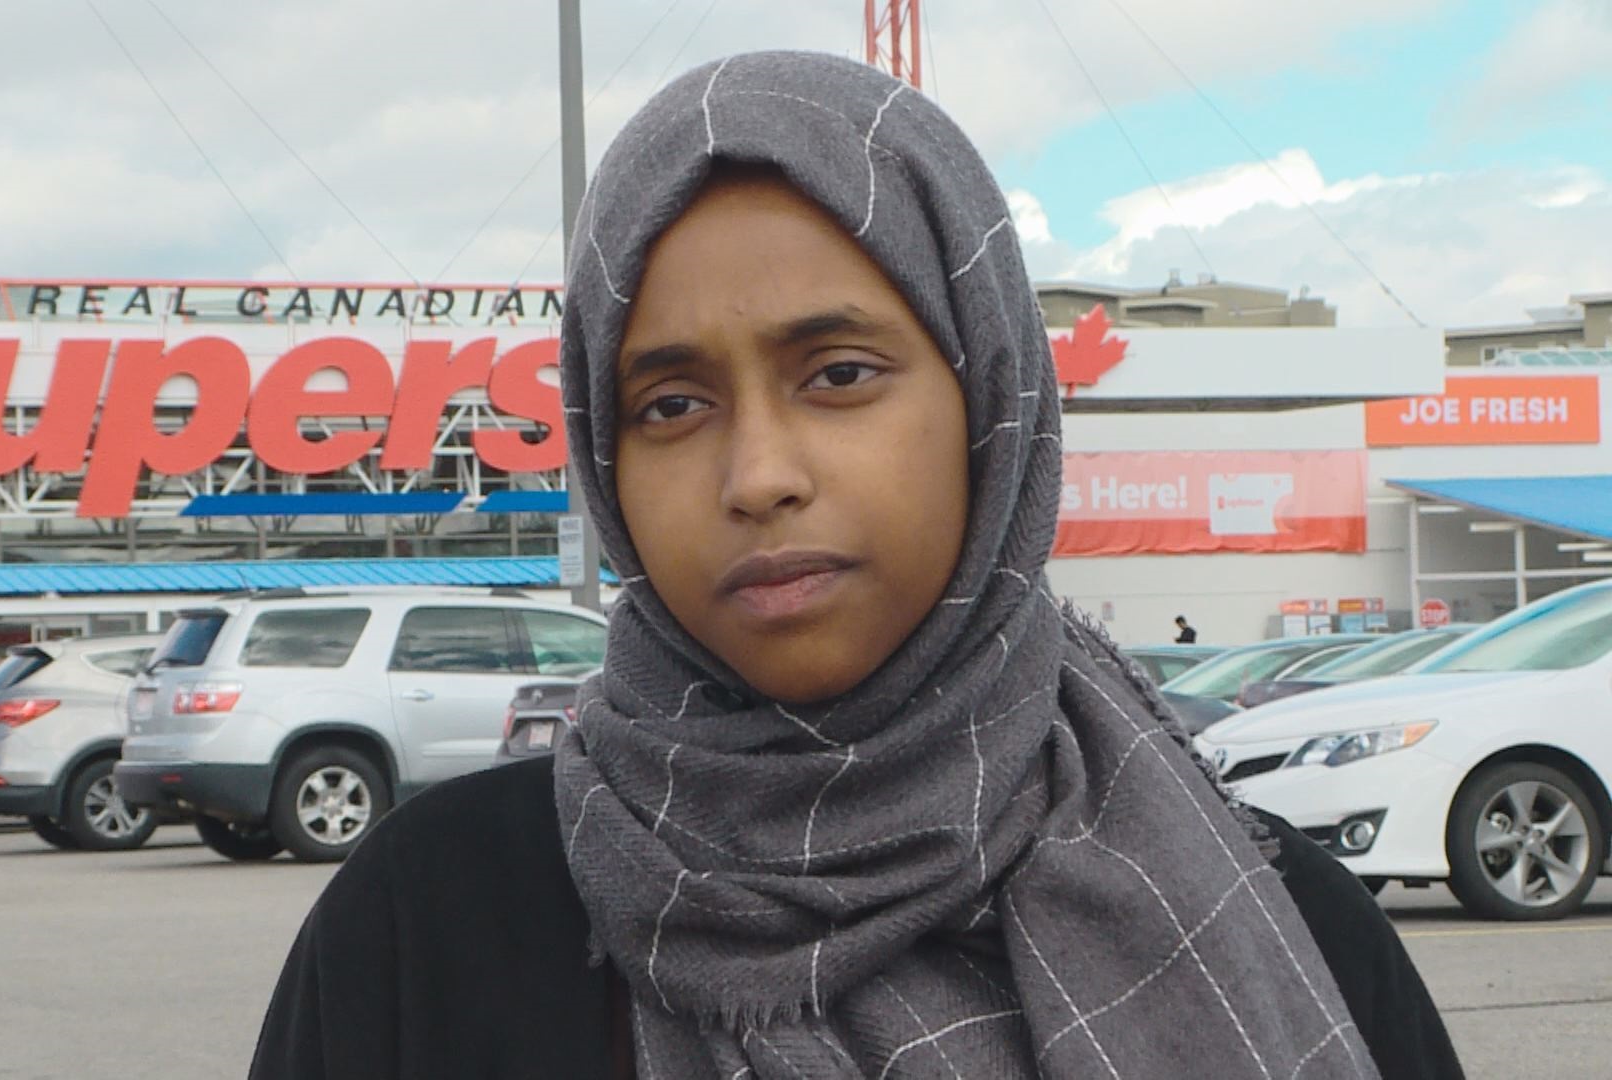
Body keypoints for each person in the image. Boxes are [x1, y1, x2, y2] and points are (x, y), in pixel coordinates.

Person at [250, 51, 1460, 1079]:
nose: (758, 474)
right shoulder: (431, 924)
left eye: (838, 374)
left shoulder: (1276, 920)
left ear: (988, 402)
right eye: (671, 403)